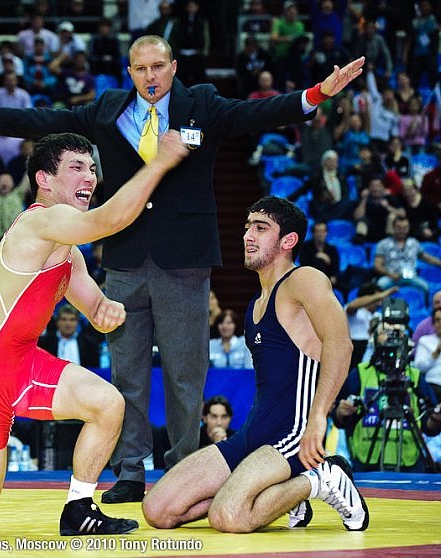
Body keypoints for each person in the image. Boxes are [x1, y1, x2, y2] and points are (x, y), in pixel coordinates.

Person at [0, 34, 365, 503]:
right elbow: (47, 120)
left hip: (184, 259)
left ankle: (181, 468)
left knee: (185, 374)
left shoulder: (202, 105)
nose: (150, 77)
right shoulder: (108, 109)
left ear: (173, 67)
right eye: (140, 69)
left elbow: (256, 113)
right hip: (125, 257)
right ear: (129, 72)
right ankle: (130, 471)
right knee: (128, 374)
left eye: (158, 67)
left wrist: (317, 94)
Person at [0, 130, 189, 536]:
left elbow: (95, 310)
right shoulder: (38, 223)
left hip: (26, 363)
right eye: (76, 167)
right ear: (44, 179)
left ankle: (79, 508)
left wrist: (106, 312)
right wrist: (158, 164)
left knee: (107, 403)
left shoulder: (68, 253)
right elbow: (108, 220)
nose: (89, 176)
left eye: (91, 168)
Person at [142, 196, 369, 534]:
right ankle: (281, 492)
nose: (248, 235)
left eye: (261, 228)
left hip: (293, 434)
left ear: (288, 241)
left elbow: (341, 344)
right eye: (248, 227)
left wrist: (319, 418)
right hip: (253, 434)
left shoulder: (304, 280)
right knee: (157, 510)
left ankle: (321, 480)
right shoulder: (255, 305)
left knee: (228, 517)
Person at [333, 317, 441, 472]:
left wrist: (436, 419)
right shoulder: (360, 373)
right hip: (366, 463)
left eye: (397, 332)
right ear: (374, 338)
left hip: (408, 465)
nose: (391, 336)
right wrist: (341, 412)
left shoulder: (415, 377)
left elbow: (429, 427)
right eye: (385, 331)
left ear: (406, 339)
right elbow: (341, 419)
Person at [374, 215, 441, 298]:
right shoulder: (383, 244)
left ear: (408, 228)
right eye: (399, 228)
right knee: (380, 285)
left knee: (425, 287)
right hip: (391, 277)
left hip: (411, 277)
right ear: (393, 228)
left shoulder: (414, 243)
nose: (402, 230)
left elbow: (427, 258)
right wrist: (390, 274)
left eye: (405, 228)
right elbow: (377, 265)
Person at [38, 304, 100, 368]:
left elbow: (94, 369)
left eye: (72, 320)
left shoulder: (89, 343)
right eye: (64, 319)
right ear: (57, 321)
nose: (68, 323)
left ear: (77, 322)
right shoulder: (44, 342)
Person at [298, 221, 340, 288]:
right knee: (319, 262)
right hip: (310, 277)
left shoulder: (332, 249)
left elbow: (335, 267)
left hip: (328, 278)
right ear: (313, 233)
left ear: (326, 233)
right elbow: (303, 264)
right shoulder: (305, 247)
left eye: (323, 231)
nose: (320, 234)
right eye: (318, 231)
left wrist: (333, 276)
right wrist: (317, 256)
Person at [413, 307, 441, 403]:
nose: (440, 323)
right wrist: (435, 354)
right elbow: (418, 367)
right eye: (437, 320)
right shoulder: (425, 341)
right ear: (433, 324)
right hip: (433, 384)